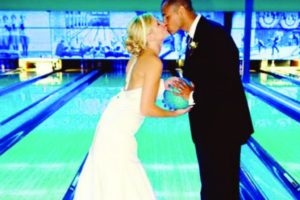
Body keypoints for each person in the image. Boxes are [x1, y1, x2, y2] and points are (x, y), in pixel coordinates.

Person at [73, 13, 192, 200]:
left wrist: (163, 84)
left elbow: (134, 91)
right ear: (150, 35)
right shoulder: (153, 61)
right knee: (126, 184)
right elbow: (146, 108)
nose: (164, 24)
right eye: (158, 24)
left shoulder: (138, 57)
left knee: (117, 184)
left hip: (112, 123)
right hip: (117, 133)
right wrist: (175, 114)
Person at [161, 0, 254, 199]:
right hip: (209, 128)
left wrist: (191, 94)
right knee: (212, 187)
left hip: (222, 128)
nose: (164, 22)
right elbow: (208, 76)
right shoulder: (194, 37)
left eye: (166, 16)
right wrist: (188, 85)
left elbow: (225, 82)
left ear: (181, 10)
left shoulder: (213, 34)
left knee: (223, 190)